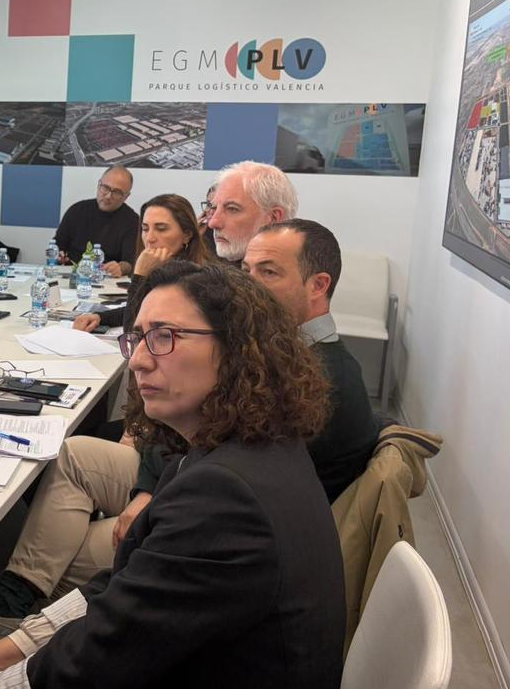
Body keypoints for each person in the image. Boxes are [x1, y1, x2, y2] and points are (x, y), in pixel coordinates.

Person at [0, 263, 345, 689]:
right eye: (140, 338)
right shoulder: (233, 449)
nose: (139, 360)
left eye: (164, 336)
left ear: (237, 350)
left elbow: (102, 657)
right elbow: (123, 590)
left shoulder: (226, 495)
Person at [243, 219, 380, 500]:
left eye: (268, 272)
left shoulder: (313, 378)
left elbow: (245, 473)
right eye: (246, 271)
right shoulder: (293, 355)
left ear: (318, 285)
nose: (247, 286)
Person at [72, 193, 211, 334]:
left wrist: (139, 276)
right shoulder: (166, 267)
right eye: (145, 229)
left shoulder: (195, 279)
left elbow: (132, 334)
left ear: (187, 234)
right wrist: (100, 317)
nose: (149, 238)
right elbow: (142, 308)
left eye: (161, 229)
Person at [204, 160, 298, 262]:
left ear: (273, 218)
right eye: (214, 208)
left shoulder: (301, 274)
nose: (213, 223)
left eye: (232, 209)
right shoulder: (208, 270)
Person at [54, 164, 139, 276]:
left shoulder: (132, 220)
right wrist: (59, 254)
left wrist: (120, 268)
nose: (108, 196)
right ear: (99, 185)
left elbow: (129, 262)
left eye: (117, 192)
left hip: (106, 279)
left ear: (126, 196)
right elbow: (58, 244)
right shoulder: (77, 210)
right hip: (73, 275)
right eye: (105, 188)